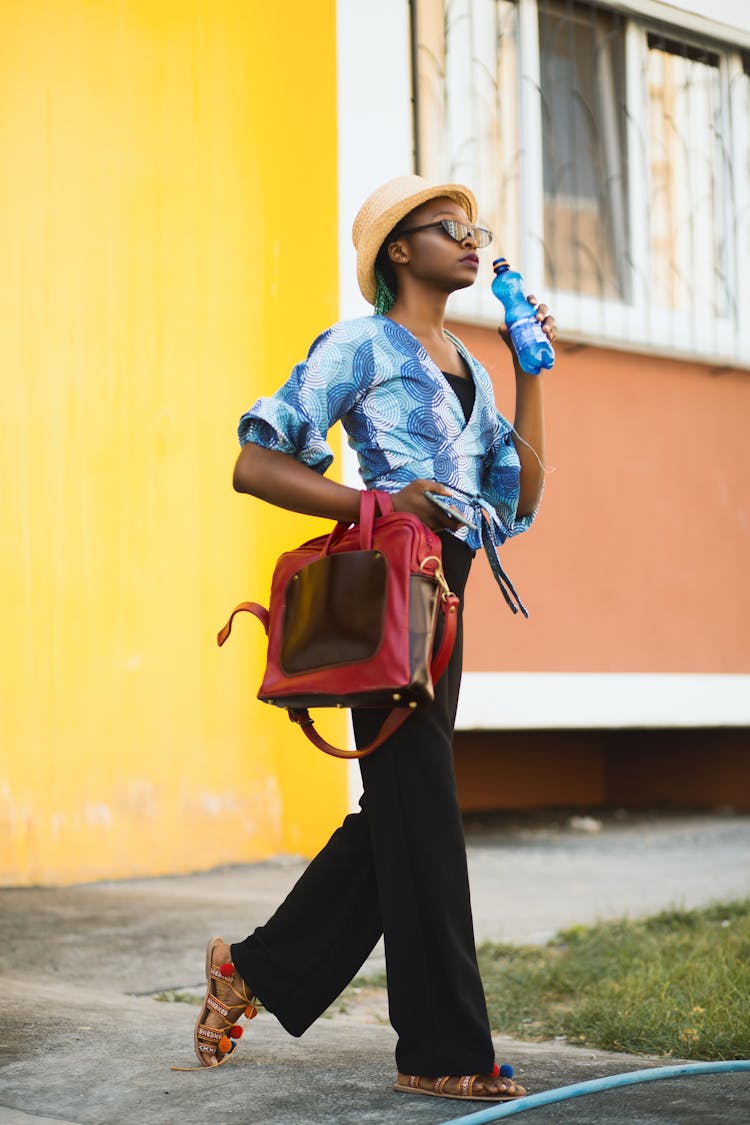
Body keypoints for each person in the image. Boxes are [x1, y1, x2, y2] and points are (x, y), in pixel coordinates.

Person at [190, 175, 557, 1102]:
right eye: (452, 228)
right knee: (421, 812)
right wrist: (376, 500)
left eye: (478, 228)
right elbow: (255, 460)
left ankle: (254, 967)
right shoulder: (357, 344)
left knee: (401, 810)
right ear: (400, 249)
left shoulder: (466, 357)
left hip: (453, 588)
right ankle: (442, 1049)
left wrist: (529, 371)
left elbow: (521, 500)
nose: (475, 240)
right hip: (394, 582)